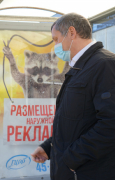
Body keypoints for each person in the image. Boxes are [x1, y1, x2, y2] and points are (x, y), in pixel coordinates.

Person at [31, 13, 115, 180]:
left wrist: (70, 159)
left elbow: (110, 123)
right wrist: (50, 147)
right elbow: (77, 120)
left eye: (55, 39)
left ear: (71, 32)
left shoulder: (104, 64)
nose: (54, 46)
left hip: (88, 171)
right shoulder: (80, 66)